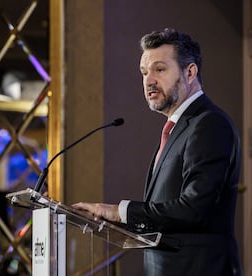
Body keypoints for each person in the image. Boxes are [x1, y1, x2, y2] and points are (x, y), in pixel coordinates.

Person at [72, 28, 242, 276]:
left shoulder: (209, 123)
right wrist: (112, 220)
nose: (148, 80)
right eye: (144, 72)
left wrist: (120, 212)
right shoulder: (177, 128)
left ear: (190, 72)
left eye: (159, 69)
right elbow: (165, 213)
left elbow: (194, 208)